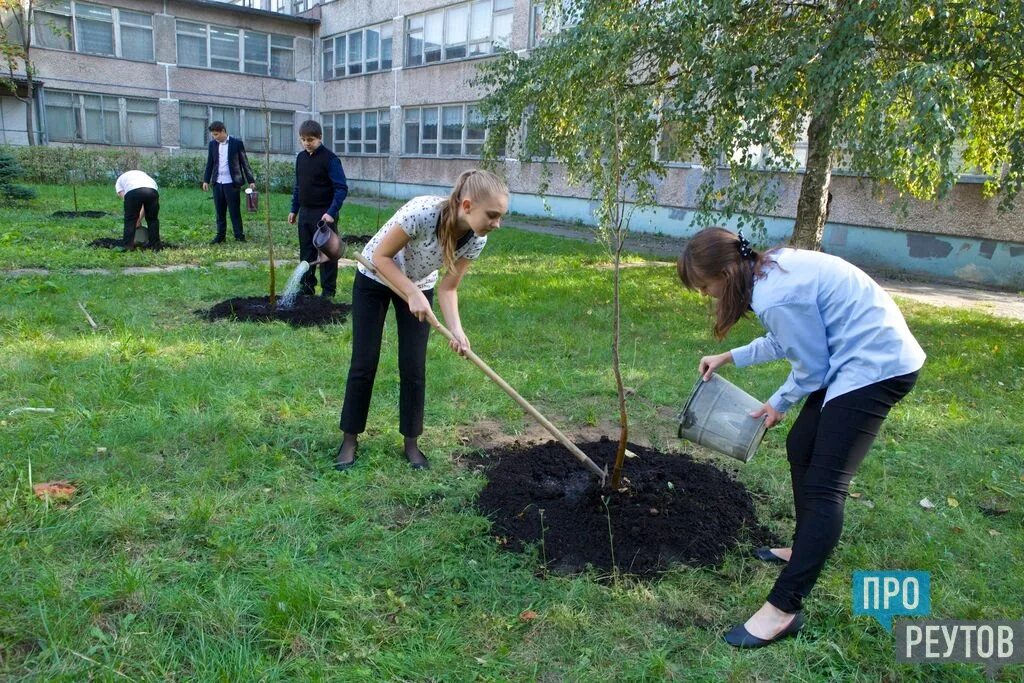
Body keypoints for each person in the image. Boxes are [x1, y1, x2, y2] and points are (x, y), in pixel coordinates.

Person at [677, 227, 926, 649]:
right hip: (850, 357)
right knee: (801, 447)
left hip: (878, 365)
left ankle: (783, 609)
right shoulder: (768, 272)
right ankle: (802, 546)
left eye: (706, 286)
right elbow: (787, 339)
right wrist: (730, 356)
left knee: (827, 484)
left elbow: (812, 369)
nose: (707, 296)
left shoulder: (775, 295)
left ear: (726, 271)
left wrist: (777, 404)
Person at [335, 169, 509, 471]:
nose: (497, 224)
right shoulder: (423, 213)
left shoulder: (476, 239)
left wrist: (456, 329)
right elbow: (381, 257)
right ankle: (349, 439)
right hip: (375, 276)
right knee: (365, 361)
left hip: (420, 284)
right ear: (467, 206)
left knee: (414, 366)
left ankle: (411, 442)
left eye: (500, 216)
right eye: (492, 215)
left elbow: (448, 287)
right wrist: (410, 292)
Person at [287, 120, 348, 298]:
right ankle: (306, 289)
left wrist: (331, 212)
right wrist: (294, 209)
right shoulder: (300, 158)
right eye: (303, 139)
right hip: (305, 213)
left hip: (324, 216)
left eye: (311, 139)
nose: (307, 143)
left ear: (320, 138)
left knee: (327, 255)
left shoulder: (330, 159)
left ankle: (328, 292)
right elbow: (299, 186)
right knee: (306, 253)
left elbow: (341, 188)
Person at [202, 121, 256, 244]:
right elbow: (210, 163)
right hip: (217, 182)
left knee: (234, 211)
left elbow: (244, 163)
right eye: (213, 135)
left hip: (232, 183)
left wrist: (251, 180)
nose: (214, 137)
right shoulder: (212, 145)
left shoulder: (236, 143)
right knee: (220, 212)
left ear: (223, 131)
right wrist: (206, 180)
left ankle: (239, 236)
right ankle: (220, 236)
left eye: (216, 134)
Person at [115, 169, 160, 251]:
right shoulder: (147, 178)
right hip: (152, 191)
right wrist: (139, 219)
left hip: (133, 192)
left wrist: (137, 220)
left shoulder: (119, 183)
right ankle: (155, 246)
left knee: (130, 219)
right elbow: (143, 206)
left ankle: (128, 246)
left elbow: (127, 199)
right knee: (152, 219)